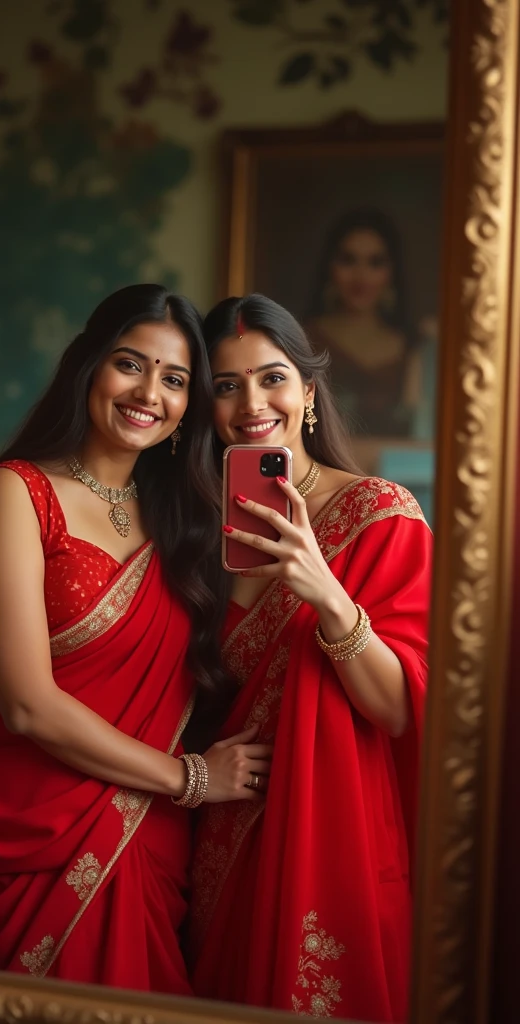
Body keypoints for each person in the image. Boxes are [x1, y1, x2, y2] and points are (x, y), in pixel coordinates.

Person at [0, 284, 271, 994]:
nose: (149, 391)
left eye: (176, 379)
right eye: (131, 363)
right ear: (89, 366)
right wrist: (191, 777)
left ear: (189, 407)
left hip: (141, 840)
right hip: (18, 824)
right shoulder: (17, 492)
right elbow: (25, 703)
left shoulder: (186, 519)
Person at [189, 293, 431, 1022]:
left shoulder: (380, 516)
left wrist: (325, 592)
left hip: (334, 843)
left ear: (309, 395)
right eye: (225, 386)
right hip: (215, 836)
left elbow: (396, 709)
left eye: (272, 378)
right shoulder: (195, 533)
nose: (251, 403)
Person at [304, 208, 425, 438]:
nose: (361, 276)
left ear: (392, 272)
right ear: (329, 267)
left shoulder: (414, 348)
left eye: (375, 262)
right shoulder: (303, 340)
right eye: (348, 260)